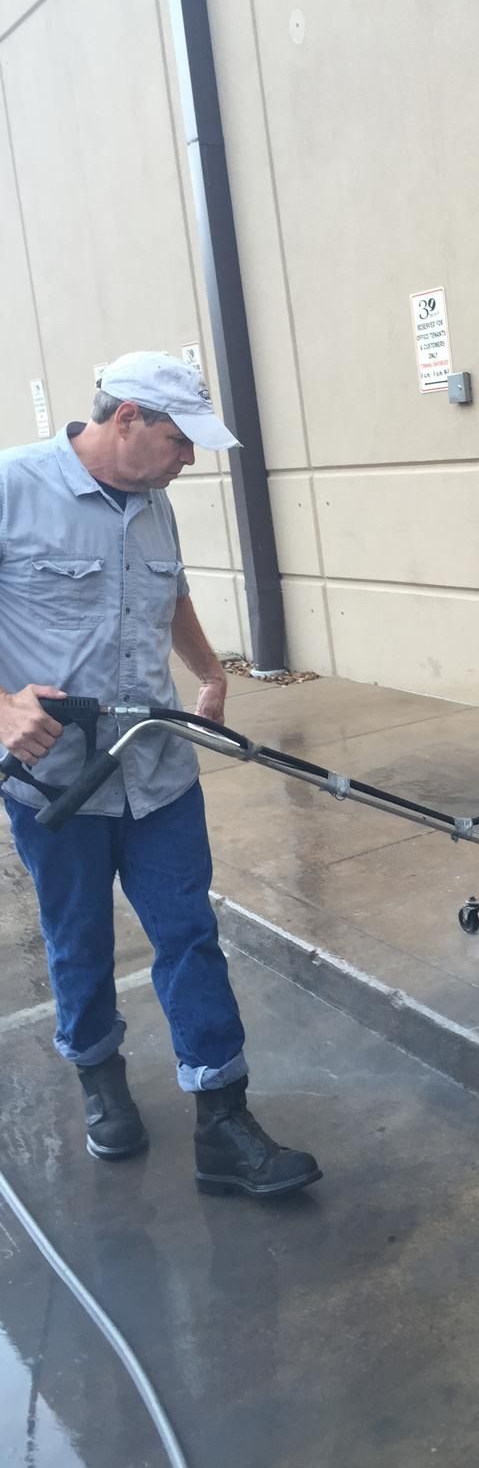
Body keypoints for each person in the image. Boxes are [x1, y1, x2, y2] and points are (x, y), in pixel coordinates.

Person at [0, 351, 320, 1198]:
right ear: (127, 418)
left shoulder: (154, 505)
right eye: (180, 441)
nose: (189, 459)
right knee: (79, 939)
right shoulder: (13, 486)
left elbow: (170, 596)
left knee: (188, 934)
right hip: (58, 782)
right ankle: (99, 1075)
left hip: (157, 766)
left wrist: (210, 671)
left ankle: (222, 1118)